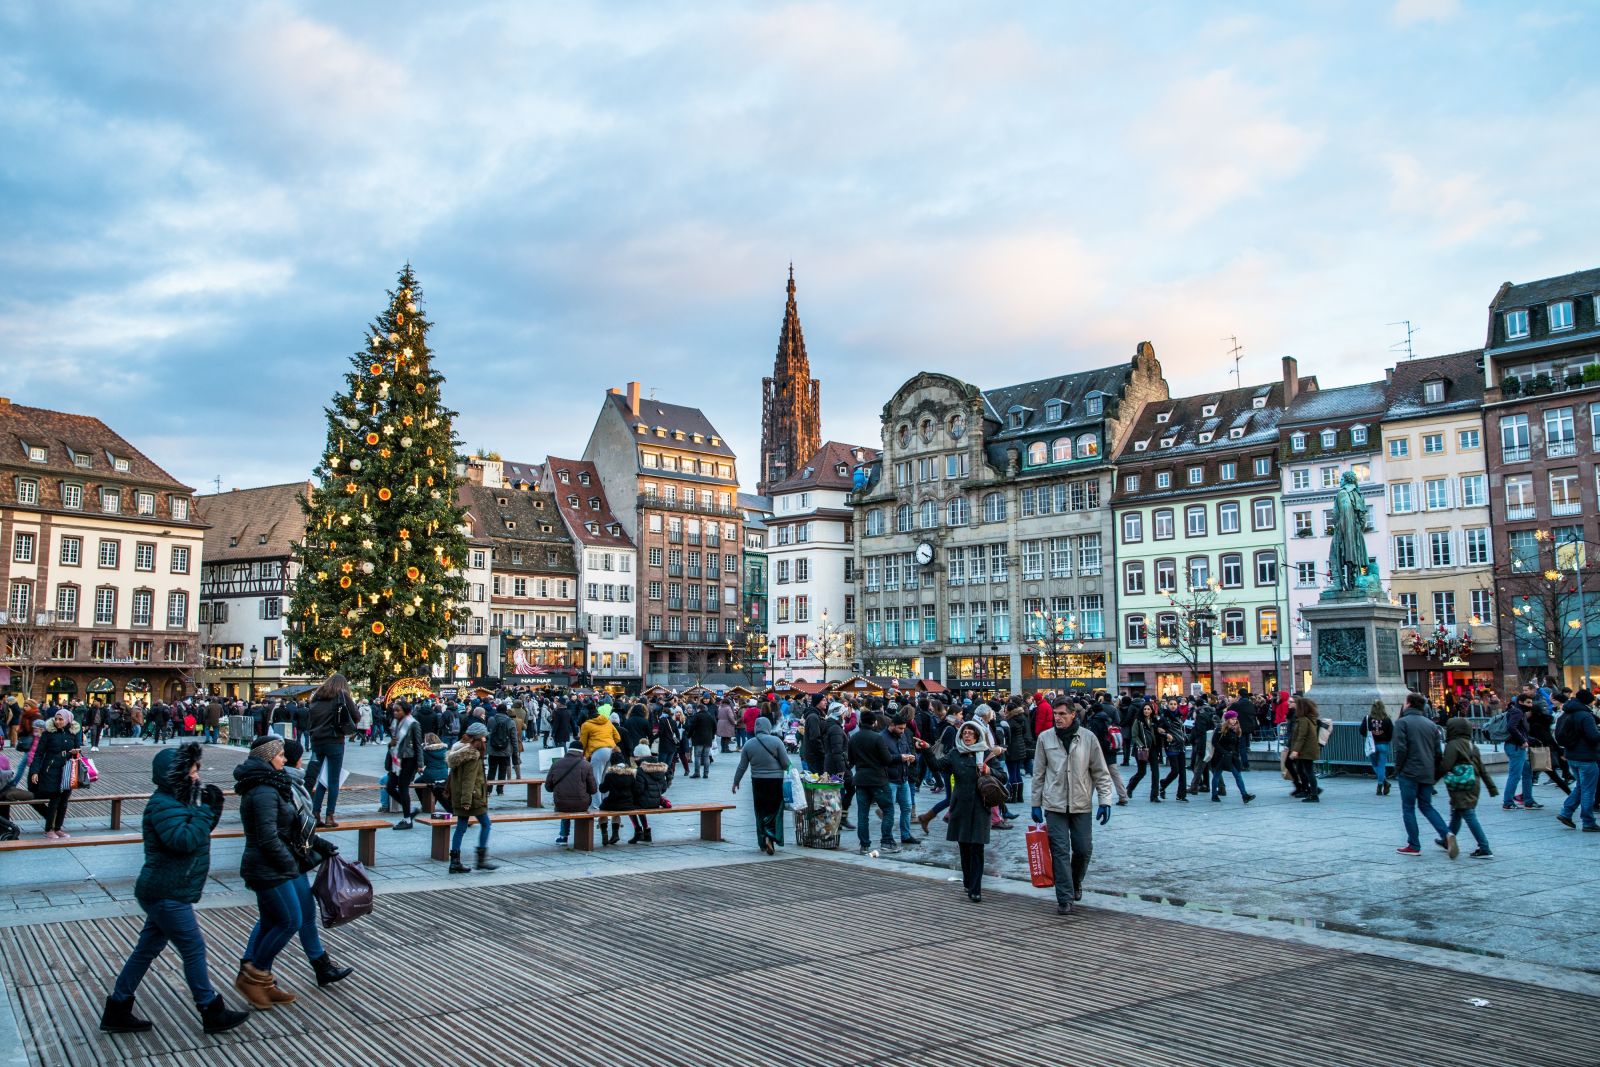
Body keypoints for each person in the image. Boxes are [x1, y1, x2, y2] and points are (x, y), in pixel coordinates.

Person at [101, 742, 252, 1036]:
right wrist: (206, 810)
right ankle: (210, 1009)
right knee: (193, 948)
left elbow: (195, 833)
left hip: (166, 889)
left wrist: (211, 809)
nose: (197, 775)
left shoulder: (177, 801)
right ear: (177, 775)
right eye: (192, 770)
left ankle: (118, 1008)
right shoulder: (162, 804)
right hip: (166, 892)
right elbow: (182, 840)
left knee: (146, 949)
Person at [239, 741, 354, 990]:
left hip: (289, 859)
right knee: (283, 919)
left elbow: (297, 824)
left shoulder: (280, 783)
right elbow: (275, 833)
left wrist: (319, 843)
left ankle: (317, 964)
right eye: (281, 755)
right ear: (270, 758)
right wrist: (291, 861)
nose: (288, 760)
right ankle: (255, 970)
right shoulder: (274, 787)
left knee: (298, 914)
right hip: (280, 863)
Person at [1030, 702, 1114, 915]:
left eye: (1062, 714)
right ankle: (1065, 897)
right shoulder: (1045, 738)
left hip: (1081, 801)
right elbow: (1038, 773)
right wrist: (1035, 804)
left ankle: (1075, 881)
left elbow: (1100, 772)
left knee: (1083, 849)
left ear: (1073, 715)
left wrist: (1105, 800)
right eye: (1055, 714)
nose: (1057, 718)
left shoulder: (1088, 737)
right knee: (1059, 851)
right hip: (1054, 803)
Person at [936, 721, 996, 903]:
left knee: (977, 847)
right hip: (961, 805)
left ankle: (976, 888)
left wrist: (988, 770)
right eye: (964, 733)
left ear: (978, 736)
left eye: (971, 733)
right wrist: (924, 750)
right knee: (964, 846)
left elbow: (1003, 776)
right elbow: (938, 766)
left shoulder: (986, 753)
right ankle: (969, 882)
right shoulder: (955, 753)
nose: (967, 736)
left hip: (980, 806)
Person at [1392, 693, 1453, 856]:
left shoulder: (1401, 723)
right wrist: (1434, 771)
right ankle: (1446, 833)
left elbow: (1401, 749)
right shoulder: (1431, 725)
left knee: (1408, 808)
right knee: (1426, 805)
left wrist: (1398, 768)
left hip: (1409, 771)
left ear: (1409, 704)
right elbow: (1437, 752)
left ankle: (1414, 844)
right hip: (1427, 771)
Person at [304, 673, 359, 828]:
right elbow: (356, 715)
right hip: (335, 740)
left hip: (317, 741)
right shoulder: (342, 695)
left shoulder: (316, 697)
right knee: (333, 780)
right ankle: (329, 816)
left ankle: (315, 812)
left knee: (321, 777)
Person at [1439, 717, 1498, 858]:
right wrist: (1491, 787)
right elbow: (1482, 768)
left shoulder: (1453, 744)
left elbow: (1446, 765)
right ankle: (1446, 840)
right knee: (1457, 812)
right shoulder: (1472, 745)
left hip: (1460, 784)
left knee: (1467, 813)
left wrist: (1432, 779)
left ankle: (1484, 847)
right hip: (1473, 783)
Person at [731, 716, 791, 854]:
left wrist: (736, 782)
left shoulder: (749, 744)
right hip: (775, 781)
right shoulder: (776, 741)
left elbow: (742, 766)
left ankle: (763, 840)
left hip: (758, 781)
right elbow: (786, 763)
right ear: (768, 727)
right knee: (774, 810)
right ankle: (772, 837)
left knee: (760, 810)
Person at [447, 722, 497, 872]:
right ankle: (481, 860)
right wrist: (467, 801)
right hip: (473, 797)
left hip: (461, 795)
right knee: (486, 824)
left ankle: (454, 862)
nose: (485, 740)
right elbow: (469, 780)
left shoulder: (459, 749)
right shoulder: (472, 755)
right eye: (483, 737)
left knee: (461, 827)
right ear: (477, 738)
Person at [29, 708, 84, 839]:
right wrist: (35, 771)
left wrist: (76, 752)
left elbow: (78, 750)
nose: (58, 721)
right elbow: (38, 753)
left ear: (68, 720)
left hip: (68, 769)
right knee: (55, 799)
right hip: (51, 769)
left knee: (64, 800)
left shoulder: (74, 732)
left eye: (61, 719)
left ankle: (58, 828)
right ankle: (49, 829)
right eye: (56, 719)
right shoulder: (49, 732)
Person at [1556, 689, 1600, 832]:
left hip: (1572, 755)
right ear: (1588, 701)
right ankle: (1588, 821)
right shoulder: (1585, 715)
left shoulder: (1569, 711)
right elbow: (1593, 737)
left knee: (1581, 786)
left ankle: (1566, 813)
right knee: (1588, 790)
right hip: (1586, 756)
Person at [547, 743, 598, 846]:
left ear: (568, 751)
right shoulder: (586, 765)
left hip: (561, 803)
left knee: (565, 804)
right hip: (582, 803)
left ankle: (563, 836)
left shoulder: (556, 764)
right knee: (578, 802)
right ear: (581, 752)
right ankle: (583, 838)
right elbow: (593, 789)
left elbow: (548, 787)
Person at [387, 703, 425, 830]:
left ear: (406, 711)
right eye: (394, 711)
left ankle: (407, 819)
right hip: (396, 760)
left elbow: (418, 745)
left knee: (403, 787)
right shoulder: (395, 723)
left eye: (398, 711)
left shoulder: (413, 724)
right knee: (390, 787)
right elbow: (393, 743)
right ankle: (409, 810)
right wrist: (390, 744)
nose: (395, 713)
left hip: (409, 759)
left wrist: (420, 764)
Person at [1502, 693, 1541, 810]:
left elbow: (1519, 730)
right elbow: (1511, 727)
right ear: (1521, 702)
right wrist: (1523, 741)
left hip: (1516, 746)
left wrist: (1532, 740)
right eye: (1528, 702)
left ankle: (1528, 800)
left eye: (1531, 702)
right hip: (1516, 747)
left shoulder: (1520, 712)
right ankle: (1508, 802)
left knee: (1527, 773)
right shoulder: (1517, 712)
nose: (1531, 705)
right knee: (1515, 775)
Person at [1208, 711, 1255, 803]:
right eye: (1232, 719)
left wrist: (1236, 754)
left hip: (1232, 756)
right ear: (1228, 719)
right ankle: (1214, 795)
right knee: (1217, 775)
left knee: (1238, 775)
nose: (1234, 721)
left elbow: (1237, 744)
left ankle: (1244, 795)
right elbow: (1214, 742)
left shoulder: (1236, 729)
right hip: (1221, 756)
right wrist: (1224, 752)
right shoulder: (1220, 728)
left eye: (1235, 719)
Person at [579, 705, 622, 802]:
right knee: (605, 780)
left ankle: (596, 806)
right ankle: (606, 804)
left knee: (595, 780)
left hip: (598, 752)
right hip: (611, 751)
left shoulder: (586, 725)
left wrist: (584, 756)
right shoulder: (607, 721)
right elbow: (618, 737)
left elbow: (582, 743)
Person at [629, 742, 669, 843]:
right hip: (656, 802)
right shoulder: (659, 767)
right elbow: (664, 788)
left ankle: (638, 830)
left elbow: (639, 789)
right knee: (639, 803)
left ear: (639, 756)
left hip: (644, 802)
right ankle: (647, 832)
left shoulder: (640, 770)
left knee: (630, 805)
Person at [596, 748, 637, 846]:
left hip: (614, 802)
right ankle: (615, 834)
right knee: (616, 811)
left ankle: (604, 834)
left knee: (602, 810)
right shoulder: (630, 773)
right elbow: (634, 789)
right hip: (628, 803)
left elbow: (603, 789)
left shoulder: (610, 775)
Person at [1287, 698, 1323, 802]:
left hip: (1306, 750)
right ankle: (1311, 791)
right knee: (1301, 769)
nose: (1295, 707)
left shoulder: (1303, 719)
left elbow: (1301, 736)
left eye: (1297, 705)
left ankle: (1314, 794)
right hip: (1307, 749)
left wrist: (1295, 750)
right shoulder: (1309, 718)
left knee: (1308, 771)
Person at [1126, 703, 1162, 802]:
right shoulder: (1138, 721)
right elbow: (1134, 735)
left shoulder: (1154, 721)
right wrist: (1141, 745)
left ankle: (1154, 795)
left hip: (1153, 749)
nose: (1146, 711)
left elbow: (1157, 733)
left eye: (1148, 709)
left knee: (1155, 772)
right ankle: (1130, 787)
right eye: (1145, 709)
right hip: (1141, 749)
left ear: (1151, 711)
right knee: (1142, 772)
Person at [1359, 700, 1394, 795]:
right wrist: (1386, 739)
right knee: (1381, 766)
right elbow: (1391, 733)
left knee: (1375, 765)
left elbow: (1362, 731)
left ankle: (1383, 783)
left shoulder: (1368, 718)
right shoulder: (1387, 719)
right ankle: (1381, 784)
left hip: (1372, 745)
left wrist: (1369, 735)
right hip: (1383, 744)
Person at [487, 704, 517, 796]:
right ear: (506, 711)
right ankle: (500, 790)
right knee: (502, 771)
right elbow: (513, 738)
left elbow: (488, 734)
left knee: (491, 770)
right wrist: (515, 751)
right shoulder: (511, 722)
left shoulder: (491, 720)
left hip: (493, 749)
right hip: (505, 750)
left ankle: (488, 790)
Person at [687, 701, 717, 778]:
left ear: (699, 709)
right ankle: (706, 774)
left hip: (698, 739)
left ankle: (697, 773)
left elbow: (692, 727)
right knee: (706, 756)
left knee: (697, 756)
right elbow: (715, 727)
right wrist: (712, 736)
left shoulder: (697, 716)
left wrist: (689, 735)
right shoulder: (710, 716)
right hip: (708, 739)